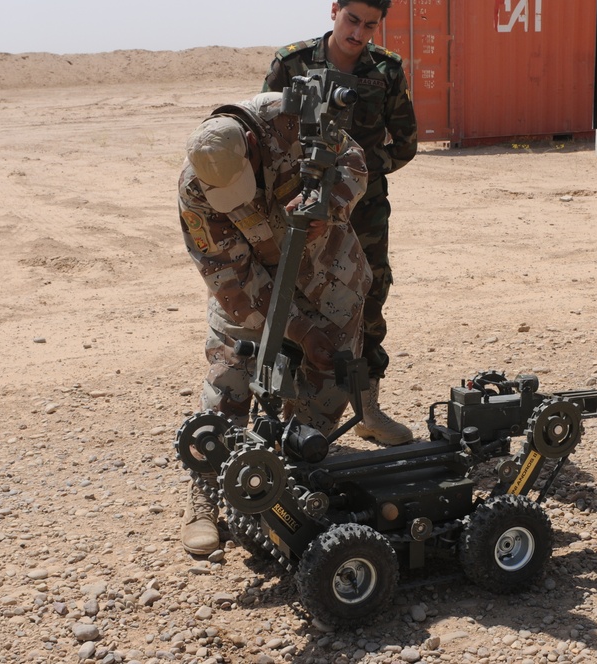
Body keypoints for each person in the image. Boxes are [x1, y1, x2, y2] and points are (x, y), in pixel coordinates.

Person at [177, 91, 371, 555]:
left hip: (329, 272)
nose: (232, 202)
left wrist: (331, 204)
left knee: (332, 377)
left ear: (249, 142)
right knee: (229, 382)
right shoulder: (196, 186)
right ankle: (206, 496)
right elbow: (230, 277)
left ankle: (289, 482)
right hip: (252, 286)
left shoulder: (292, 118)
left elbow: (355, 163)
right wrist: (296, 329)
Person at [263, 0, 418, 445]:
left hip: (363, 211)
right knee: (295, 297)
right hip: (301, 207)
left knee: (369, 295)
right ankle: (292, 415)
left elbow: (405, 144)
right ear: (334, 10)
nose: (359, 33)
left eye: (370, 25)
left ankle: (367, 409)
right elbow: (265, 128)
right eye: (352, 20)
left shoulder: (386, 71)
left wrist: (358, 171)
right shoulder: (292, 63)